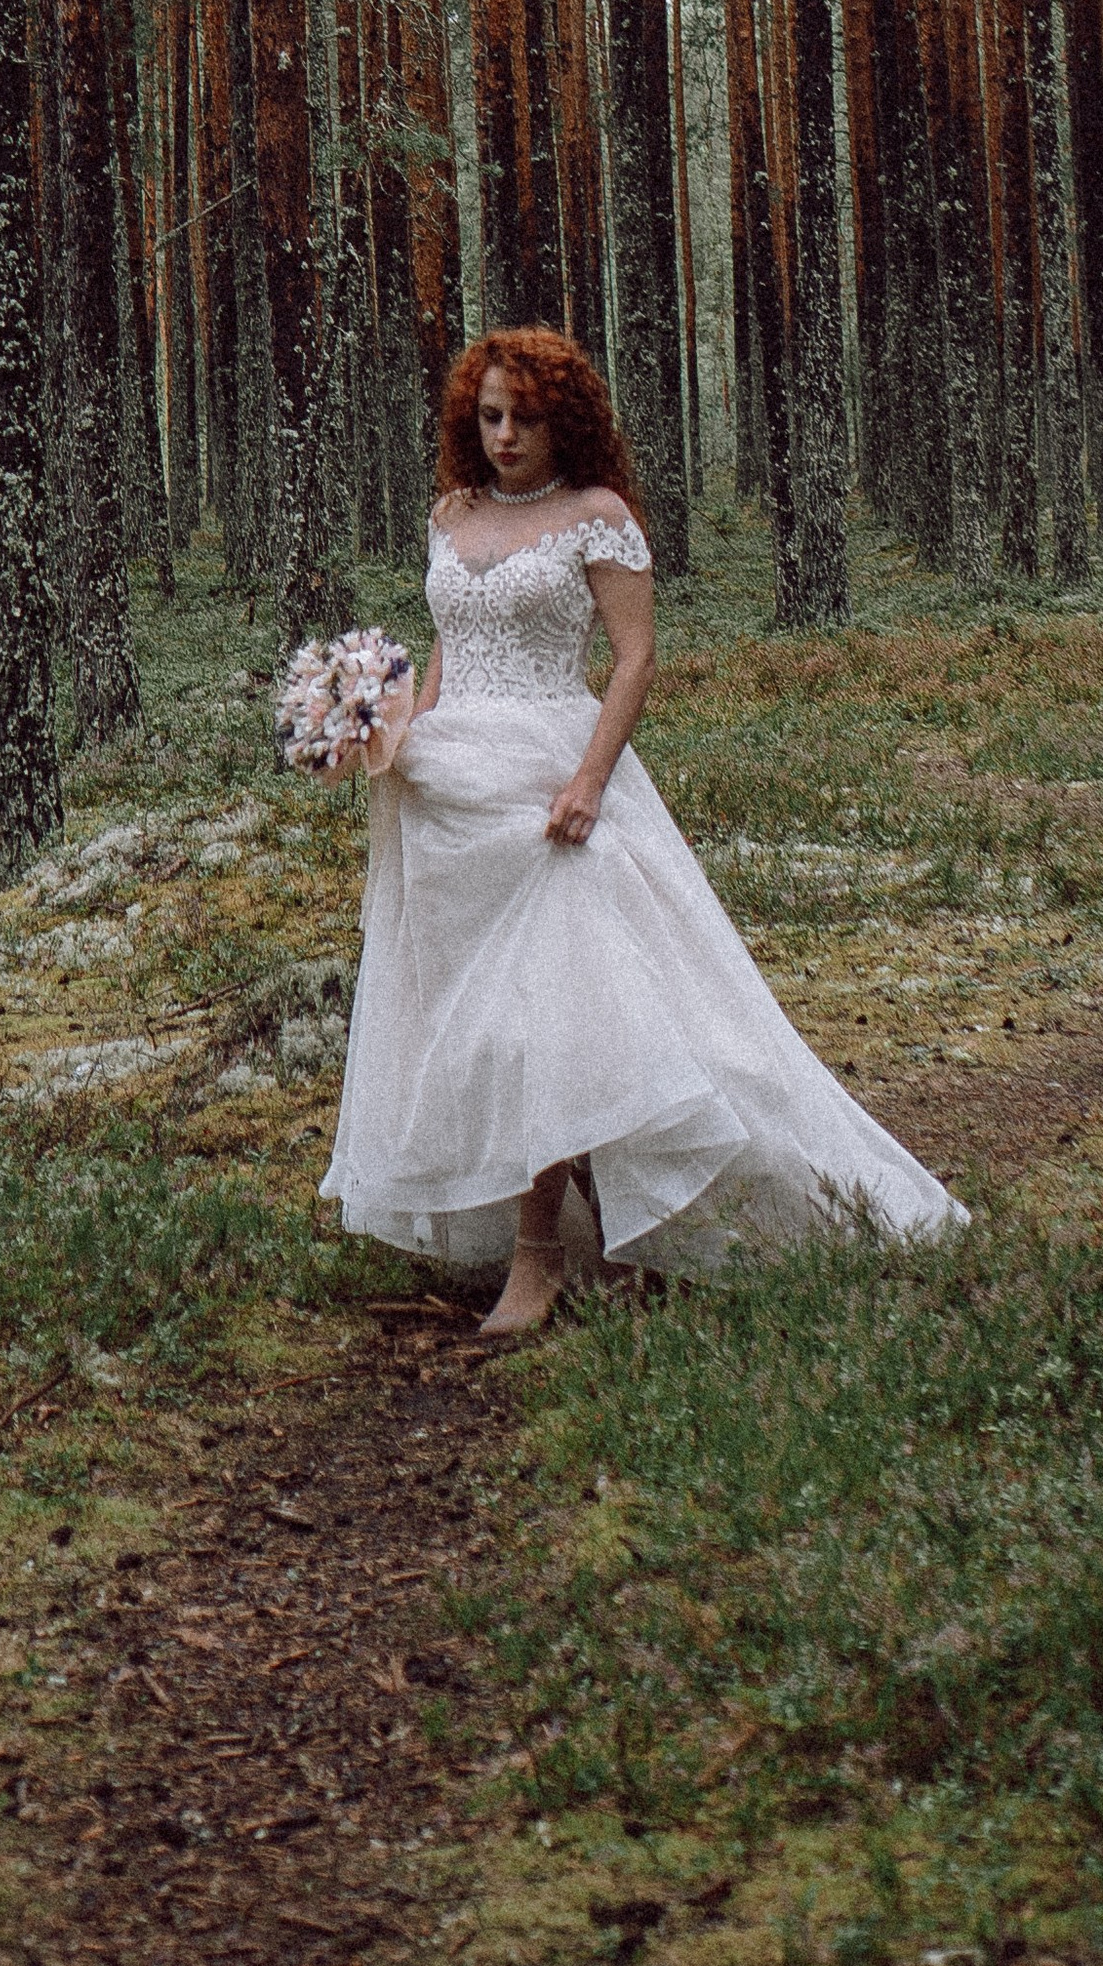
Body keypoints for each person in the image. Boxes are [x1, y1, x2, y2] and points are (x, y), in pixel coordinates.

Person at [318, 325, 965, 1342]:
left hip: (554, 784)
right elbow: (451, 645)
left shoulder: (599, 517)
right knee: (480, 1026)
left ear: (565, 420)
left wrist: (588, 782)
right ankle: (611, 1227)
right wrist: (399, 736)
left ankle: (539, 1254)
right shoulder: (452, 514)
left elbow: (634, 659)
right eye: (489, 416)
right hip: (451, 791)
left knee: (551, 1019)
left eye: (526, 418)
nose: (504, 436)